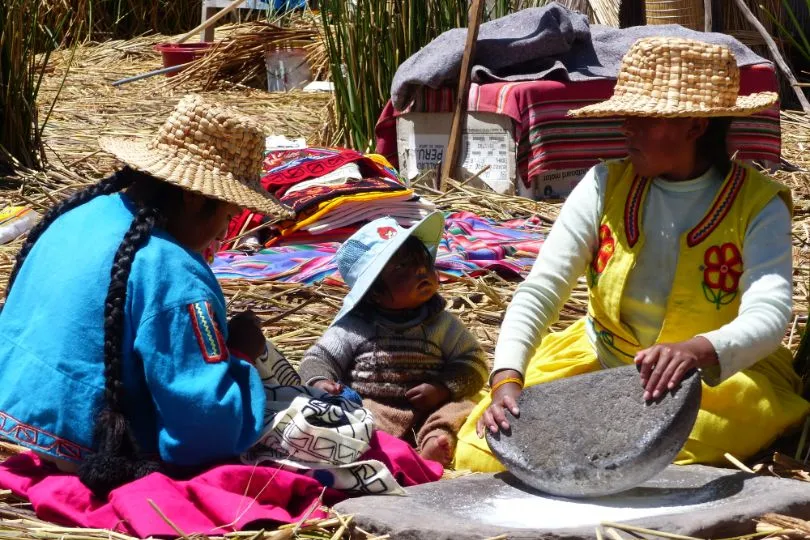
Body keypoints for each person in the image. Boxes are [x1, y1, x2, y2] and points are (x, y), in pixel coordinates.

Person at [454, 37, 810, 471]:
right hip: (601, 363)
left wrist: (698, 350)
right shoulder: (605, 186)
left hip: (718, 380)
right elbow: (541, 290)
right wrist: (507, 378)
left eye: (640, 119)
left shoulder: (757, 203)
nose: (626, 129)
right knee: (480, 452)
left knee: (660, 455)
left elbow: (770, 315)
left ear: (694, 125)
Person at [0, 95, 294, 497]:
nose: (223, 235)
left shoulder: (78, 213)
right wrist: (241, 355)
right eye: (226, 217)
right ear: (194, 197)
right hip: (96, 446)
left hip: (19, 413)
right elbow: (204, 430)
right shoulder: (174, 271)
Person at [298, 213, 489, 466]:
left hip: (431, 408)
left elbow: (474, 361)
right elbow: (318, 358)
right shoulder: (354, 328)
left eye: (423, 261)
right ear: (374, 291)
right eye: (401, 267)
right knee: (356, 420)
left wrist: (443, 388)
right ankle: (386, 452)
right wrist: (320, 381)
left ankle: (435, 442)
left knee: (463, 408)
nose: (421, 269)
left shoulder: (442, 324)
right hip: (377, 408)